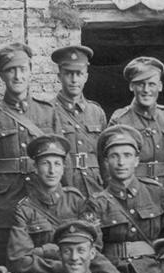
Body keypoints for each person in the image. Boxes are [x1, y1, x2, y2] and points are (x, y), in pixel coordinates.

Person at [7, 134, 119, 273]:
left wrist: (45, 251)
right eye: (45, 164)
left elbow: (95, 245)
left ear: (63, 168)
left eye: (57, 164)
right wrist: (63, 266)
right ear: (36, 168)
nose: (52, 170)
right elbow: (19, 261)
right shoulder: (25, 209)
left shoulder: (77, 200)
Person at [0, 42, 60, 267]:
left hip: (39, 198)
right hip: (3, 203)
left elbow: (62, 161)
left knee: (42, 260)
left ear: (31, 71)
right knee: (3, 263)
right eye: (11, 70)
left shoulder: (47, 111)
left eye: (22, 69)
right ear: (2, 76)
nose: (18, 76)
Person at [80, 124, 164, 273]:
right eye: (114, 156)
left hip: (153, 269)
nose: (121, 162)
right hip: (113, 272)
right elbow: (90, 250)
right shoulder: (96, 203)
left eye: (127, 155)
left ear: (137, 160)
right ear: (106, 161)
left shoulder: (157, 193)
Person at [109, 56, 164, 190]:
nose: (146, 90)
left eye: (151, 84)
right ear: (131, 86)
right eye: (141, 84)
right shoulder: (120, 120)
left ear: (160, 86)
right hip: (134, 189)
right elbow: (109, 164)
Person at [50, 45, 107, 197]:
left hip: (95, 186)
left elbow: (104, 157)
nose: (74, 79)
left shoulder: (97, 112)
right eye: (68, 74)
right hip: (63, 186)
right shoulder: (48, 111)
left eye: (79, 74)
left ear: (86, 77)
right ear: (59, 76)